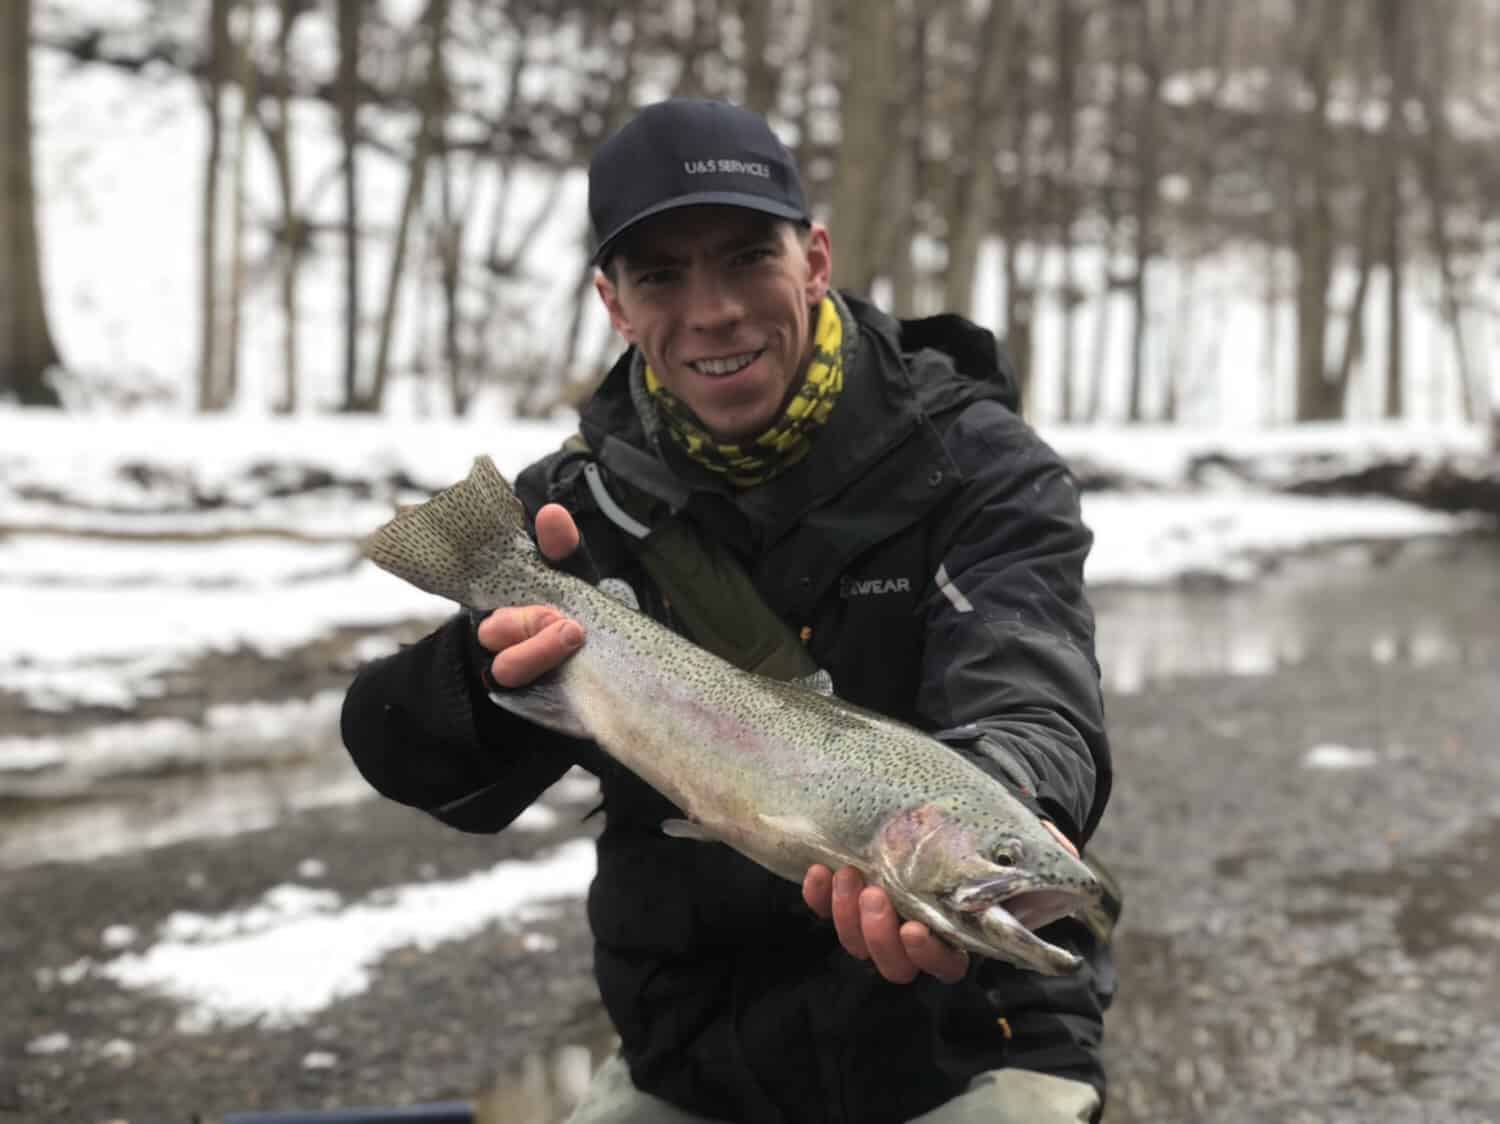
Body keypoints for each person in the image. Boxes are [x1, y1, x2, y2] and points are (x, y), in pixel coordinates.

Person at [341, 97, 1115, 1124]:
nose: (713, 311)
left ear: (816, 259)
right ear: (614, 303)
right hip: (693, 1057)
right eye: (662, 274)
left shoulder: (977, 466)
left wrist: (1011, 800)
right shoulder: (570, 515)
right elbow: (398, 753)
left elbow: (1032, 679)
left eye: (749, 257)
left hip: (969, 1038)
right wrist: (485, 675)